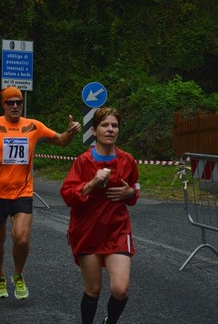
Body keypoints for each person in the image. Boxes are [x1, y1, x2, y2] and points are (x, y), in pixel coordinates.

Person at [0, 86, 81, 299]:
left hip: (23, 192)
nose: (15, 106)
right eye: (10, 102)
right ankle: (0, 276)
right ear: (3, 105)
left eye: (18, 102)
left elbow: (60, 141)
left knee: (21, 239)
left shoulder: (33, 126)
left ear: (22, 104)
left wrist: (71, 132)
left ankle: (18, 274)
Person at [59, 107, 139, 324]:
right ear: (94, 131)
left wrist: (130, 193)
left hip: (117, 229)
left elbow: (133, 192)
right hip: (87, 230)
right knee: (93, 289)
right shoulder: (83, 161)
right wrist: (92, 183)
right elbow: (67, 195)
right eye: (105, 125)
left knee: (120, 289)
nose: (110, 129)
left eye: (114, 126)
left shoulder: (128, 161)